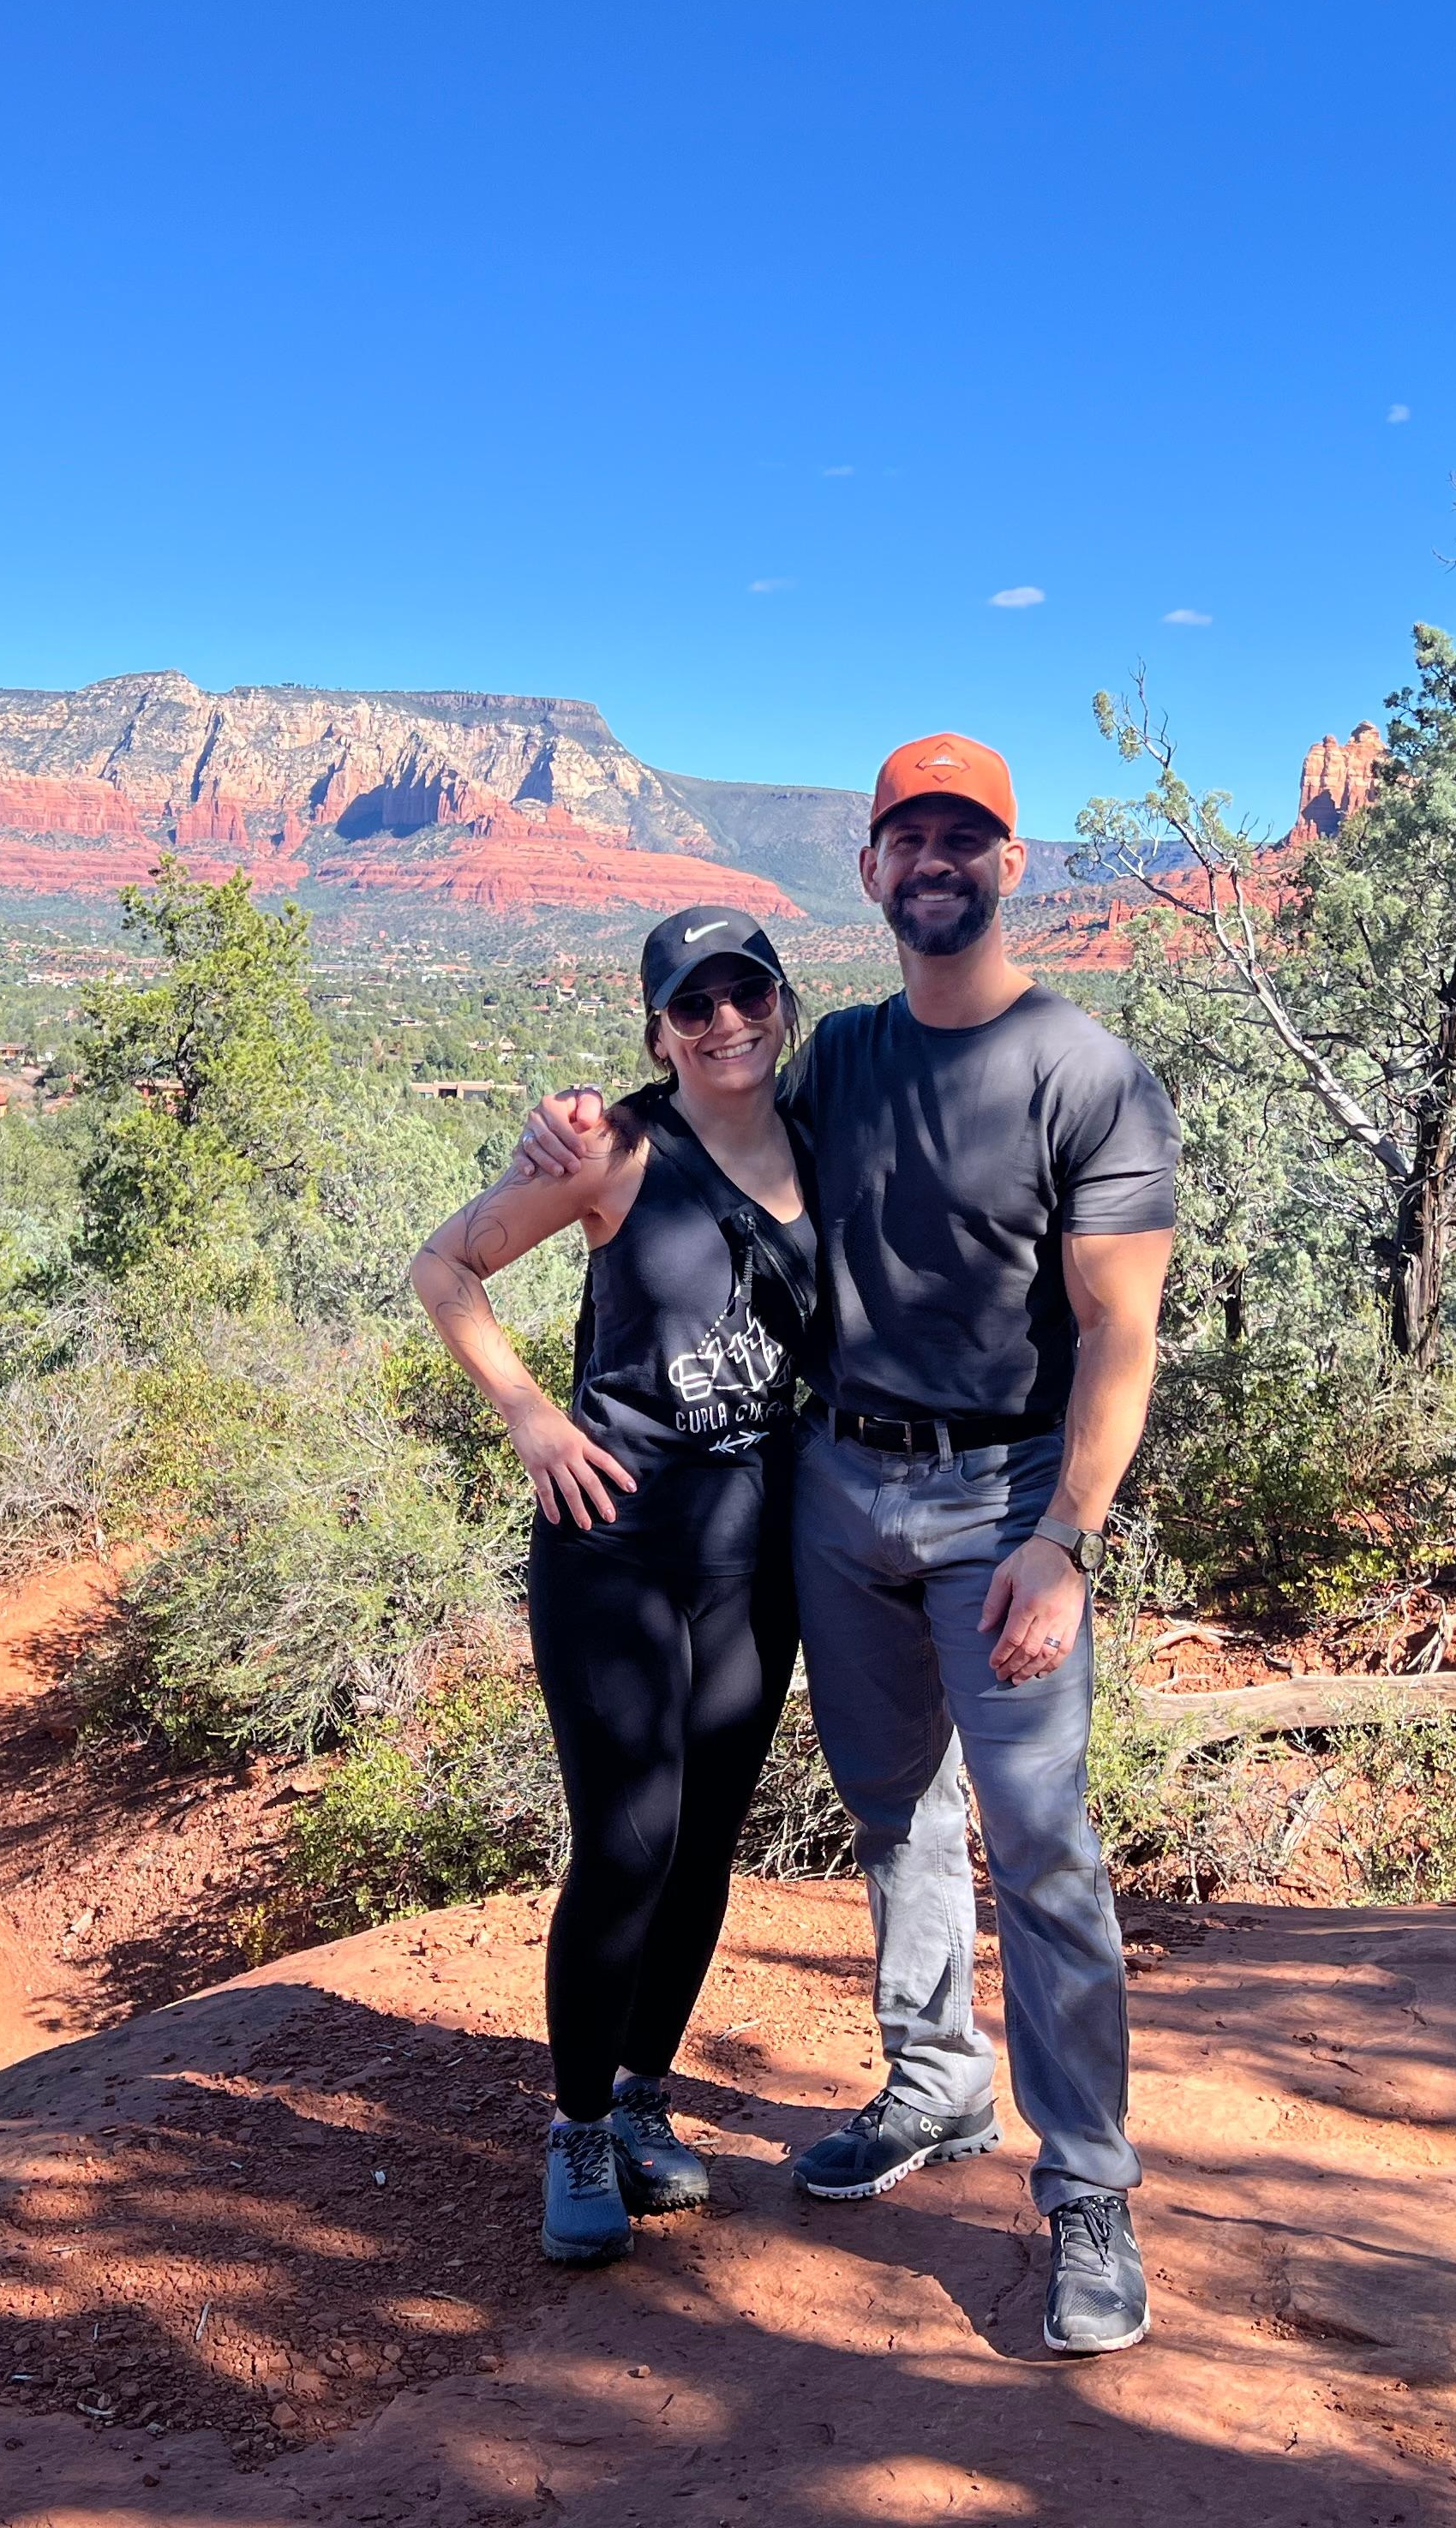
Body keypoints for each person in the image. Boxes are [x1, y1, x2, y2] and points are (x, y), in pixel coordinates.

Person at [518, 732, 1177, 2354]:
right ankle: (936, 2082)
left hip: (1009, 1506)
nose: (939, 860)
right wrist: (569, 1135)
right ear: (871, 870)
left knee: (1041, 1840)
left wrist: (1068, 1537)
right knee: (892, 1808)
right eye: (911, 838)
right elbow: (699, 1128)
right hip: (837, 1492)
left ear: (1010, 863)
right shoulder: (840, 1057)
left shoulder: (1086, 1073)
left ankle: (1086, 2193)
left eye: (971, 835)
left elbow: (1121, 1337)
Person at [409, 906, 819, 2267]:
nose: (723, 1024)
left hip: (756, 1557)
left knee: (706, 1841)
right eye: (690, 1008)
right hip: (616, 1547)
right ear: (657, 1032)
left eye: (743, 993)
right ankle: (577, 2127)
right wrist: (529, 1412)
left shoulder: (824, 1141)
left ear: (782, 1000)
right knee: (630, 1842)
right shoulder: (616, 1150)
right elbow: (445, 1265)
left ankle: (643, 2098)